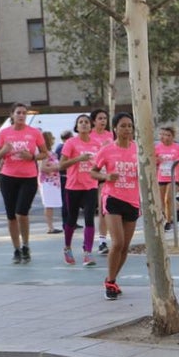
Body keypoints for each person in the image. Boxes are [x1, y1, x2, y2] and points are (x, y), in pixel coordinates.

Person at [90, 112, 140, 301]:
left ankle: (112, 279)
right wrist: (106, 177)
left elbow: (147, 170)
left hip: (132, 200)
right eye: (123, 126)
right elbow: (93, 172)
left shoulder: (138, 149)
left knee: (125, 246)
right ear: (115, 129)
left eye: (130, 126)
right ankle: (110, 282)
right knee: (117, 242)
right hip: (112, 198)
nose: (127, 129)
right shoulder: (107, 150)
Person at [0, 102, 48, 263]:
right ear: (12, 115)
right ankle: (16, 249)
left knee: (21, 212)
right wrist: (5, 150)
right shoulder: (4, 133)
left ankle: (26, 245)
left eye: (24, 113)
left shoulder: (34, 133)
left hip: (28, 177)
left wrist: (31, 157)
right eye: (19, 113)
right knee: (11, 216)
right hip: (8, 177)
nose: (22, 116)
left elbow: (44, 153)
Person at [59, 114, 102, 267]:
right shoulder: (71, 143)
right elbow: (61, 165)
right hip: (73, 186)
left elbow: (100, 163)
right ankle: (67, 247)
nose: (84, 124)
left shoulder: (97, 144)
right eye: (81, 122)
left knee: (89, 218)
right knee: (72, 218)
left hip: (90, 186)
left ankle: (88, 252)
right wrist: (78, 159)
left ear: (91, 127)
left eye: (86, 122)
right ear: (76, 126)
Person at [90, 109, 113, 255]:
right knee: (95, 209)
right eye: (100, 118)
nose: (103, 121)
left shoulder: (110, 135)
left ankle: (102, 241)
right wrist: (101, 149)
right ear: (94, 121)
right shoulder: (89, 136)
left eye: (105, 118)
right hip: (91, 175)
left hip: (107, 175)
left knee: (103, 207)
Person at [155, 126, 179, 231]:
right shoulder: (157, 148)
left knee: (168, 199)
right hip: (161, 177)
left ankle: (168, 221)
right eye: (164, 135)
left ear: (173, 137)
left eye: (168, 135)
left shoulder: (178, 148)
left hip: (174, 177)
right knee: (162, 201)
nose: (166, 137)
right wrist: (157, 159)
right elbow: (152, 161)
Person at [38, 131, 63, 234]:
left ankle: (51, 225)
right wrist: (57, 167)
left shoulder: (51, 153)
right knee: (48, 204)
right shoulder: (44, 154)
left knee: (51, 204)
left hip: (53, 182)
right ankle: (50, 227)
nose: (53, 139)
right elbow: (42, 168)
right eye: (52, 138)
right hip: (47, 182)